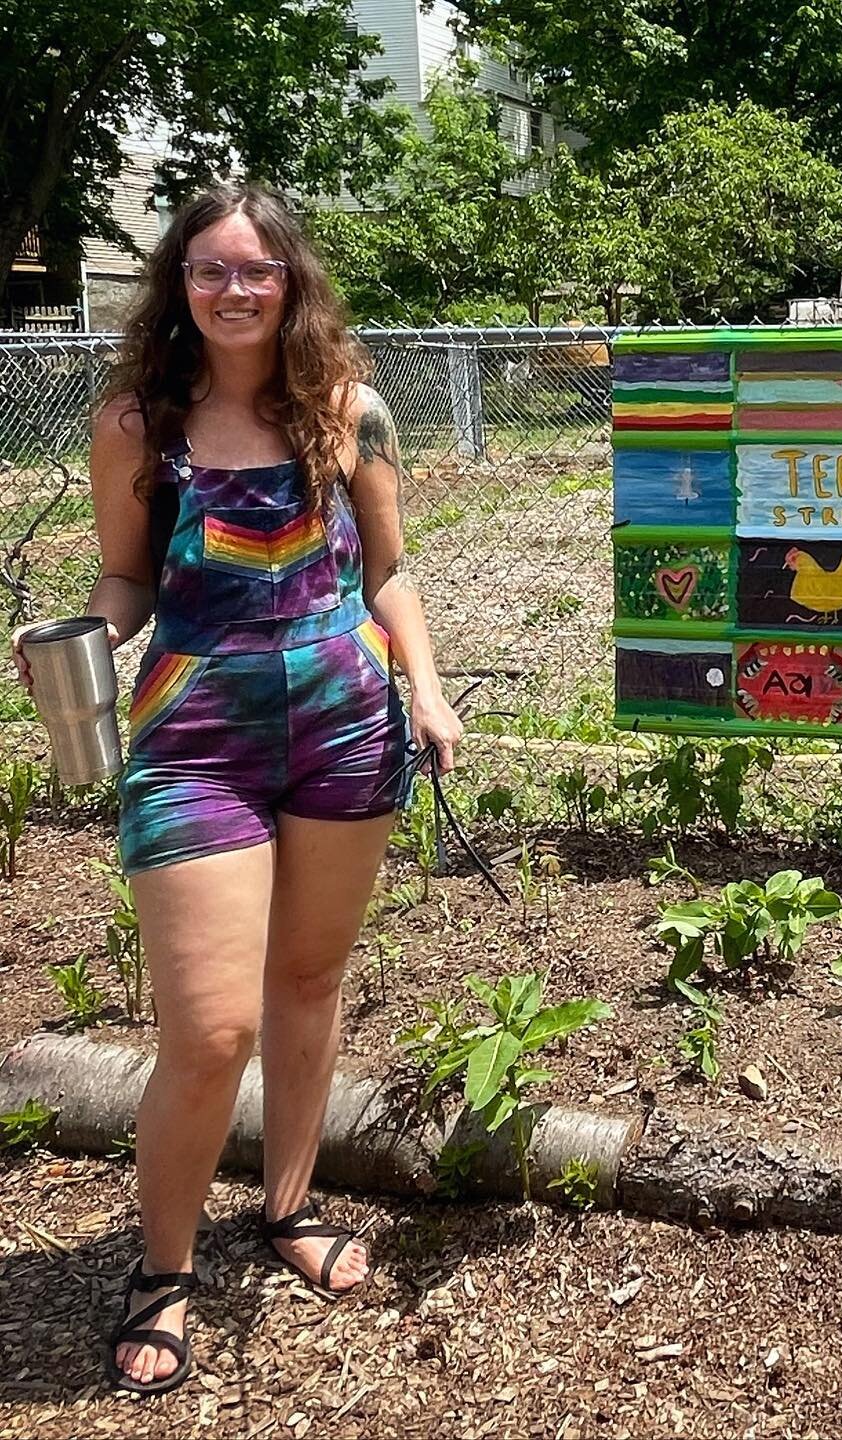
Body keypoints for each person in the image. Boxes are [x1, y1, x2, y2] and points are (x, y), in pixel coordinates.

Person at [9, 183, 463, 1395]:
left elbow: (390, 572)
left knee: (309, 982)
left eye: (256, 271)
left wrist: (425, 687)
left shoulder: (348, 412)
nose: (234, 289)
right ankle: (161, 1270)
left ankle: (289, 1206)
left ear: (291, 282)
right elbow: (124, 580)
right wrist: (80, 640)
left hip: (339, 721)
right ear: (180, 285)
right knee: (210, 1031)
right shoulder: (135, 424)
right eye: (210, 270)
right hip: (194, 730)